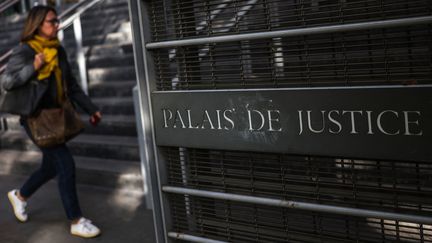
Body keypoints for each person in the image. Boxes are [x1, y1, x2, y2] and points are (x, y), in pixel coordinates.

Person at [2, 6, 102, 238]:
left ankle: (20, 196)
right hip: (36, 118)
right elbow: (7, 82)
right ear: (37, 24)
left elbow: (72, 85)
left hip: (57, 115)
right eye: (52, 21)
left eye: (57, 21)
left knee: (51, 166)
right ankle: (76, 220)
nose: (57, 24)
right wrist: (33, 67)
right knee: (65, 164)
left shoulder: (58, 50)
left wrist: (91, 109)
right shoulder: (25, 51)